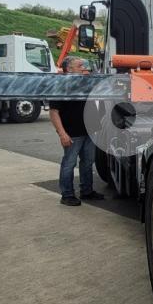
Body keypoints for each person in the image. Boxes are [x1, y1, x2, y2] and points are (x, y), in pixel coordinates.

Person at [49, 57, 104, 206]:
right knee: (69, 163)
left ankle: (87, 191)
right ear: (69, 69)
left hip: (90, 131)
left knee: (88, 162)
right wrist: (62, 133)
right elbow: (54, 112)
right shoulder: (60, 86)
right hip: (72, 133)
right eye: (80, 66)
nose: (84, 68)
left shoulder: (86, 84)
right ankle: (67, 195)